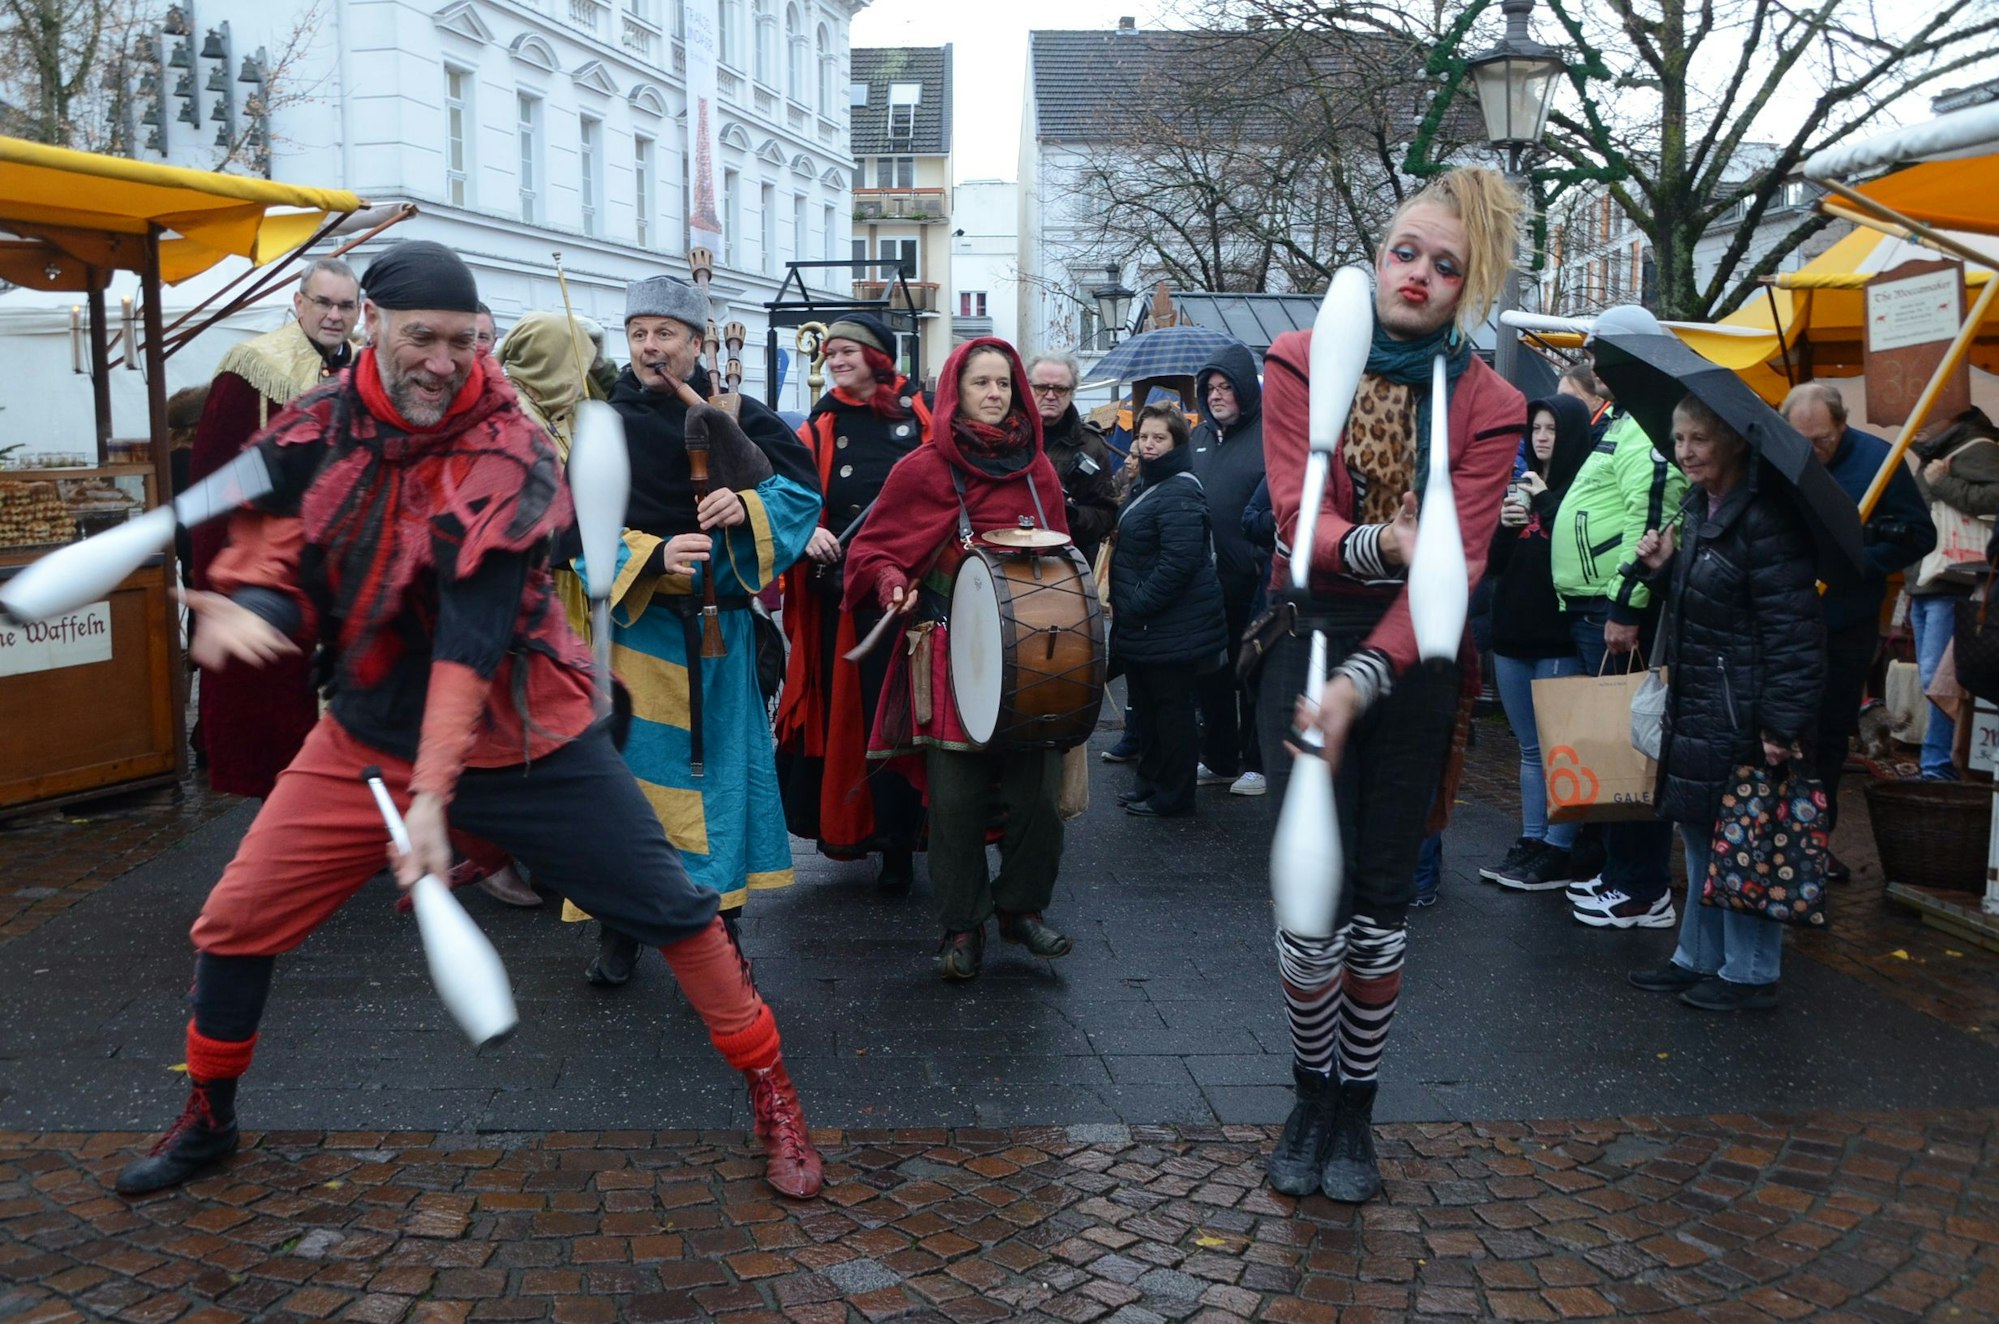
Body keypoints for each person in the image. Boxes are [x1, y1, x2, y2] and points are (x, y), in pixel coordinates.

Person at [114, 242, 823, 1200]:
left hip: (533, 730)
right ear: (371, 323)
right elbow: (274, 542)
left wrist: (437, 795)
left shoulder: (512, 445)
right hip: (368, 731)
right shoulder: (316, 424)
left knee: (679, 914)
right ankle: (208, 1113)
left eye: (460, 340)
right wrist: (254, 602)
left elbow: (472, 632)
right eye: (422, 337)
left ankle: (774, 1099)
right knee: (234, 921)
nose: (444, 360)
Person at [1263, 167, 1526, 1201]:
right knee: (1305, 918)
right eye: (1404, 253)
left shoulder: (1490, 403)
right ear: (1376, 258)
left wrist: (1364, 681)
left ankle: (1352, 1108)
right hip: (1303, 641)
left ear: (1469, 288)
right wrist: (1380, 542)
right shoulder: (1296, 361)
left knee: (1377, 905)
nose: (1417, 276)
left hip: (1412, 664)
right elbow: (1298, 524)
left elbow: (1452, 576)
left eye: (1445, 266)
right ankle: (1305, 1088)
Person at [583, 275, 822, 986]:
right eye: (639, 333)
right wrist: (652, 554)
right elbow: (568, 526)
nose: (650, 346)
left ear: (696, 342)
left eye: (665, 333)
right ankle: (619, 933)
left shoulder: (737, 413)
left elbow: (800, 496)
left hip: (719, 642)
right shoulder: (601, 423)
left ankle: (720, 934)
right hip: (638, 635)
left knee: (718, 788)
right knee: (627, 792)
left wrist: (743, 504)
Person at [844, 338, 1077, 981]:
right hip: (949, 651)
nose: (996, 394)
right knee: (956, 802)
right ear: (957, 390)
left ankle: (1020, 910)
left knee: (1038, 798)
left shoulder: (1039, 472)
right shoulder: (922, 469)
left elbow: (1065, 560)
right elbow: (869, 552)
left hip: (1033, 659)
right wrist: (893, 579)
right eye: (982, 383)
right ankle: (962, 925)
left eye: (1005, 383)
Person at [1626, 394, 1824, 1012]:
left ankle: (1750, 971)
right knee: (1701, 833)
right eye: (1679, 439)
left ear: (1734, 443)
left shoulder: (1763, 520)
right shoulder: (1702, 508)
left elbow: (1794, 632)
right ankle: (1698, 957)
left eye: (1698, 440)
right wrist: (1663, 571)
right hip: (1702, 705)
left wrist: (1781, 722)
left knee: (1746, 839)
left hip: (1741, 711)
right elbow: (1707, 609)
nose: (1684, 452)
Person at [188, 258, 359, 797]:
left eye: (345, 305)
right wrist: (227, 582)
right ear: (299, 302)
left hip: (343, 573)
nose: (335, 315)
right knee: (273, 722)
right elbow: (214, 480)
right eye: (324, 303)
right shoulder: (254, 366)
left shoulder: (362, 371)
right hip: (273, 569)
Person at [775, 312, 931, 890]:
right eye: (830, 353)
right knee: (857, 717)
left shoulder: (919, 418)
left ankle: (902, 842)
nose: (835, 361)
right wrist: (805, 531)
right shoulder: (819, 425)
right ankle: (863, 830)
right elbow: (789, 497)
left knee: (909, 714)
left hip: (912, 594)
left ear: (877, 357)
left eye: (847, 351)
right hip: (842, 596)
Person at [1553, 355, 1687, 931]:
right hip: (1596, 606)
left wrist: (1625, 605)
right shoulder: (1628, 419)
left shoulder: (1650, 427)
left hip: (1617, 610)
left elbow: (1649, 522)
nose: (1596, 368)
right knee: (1615, 745)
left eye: (1607, 359)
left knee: (1632, 750)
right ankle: (1621, 874)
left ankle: (1640, 887)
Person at [1781, 383, 1934, 874]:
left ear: (1842, 425)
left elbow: (1919, 535)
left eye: (1821, 440)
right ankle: (1776, 834)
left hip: (1845, 622)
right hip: (1786, 617)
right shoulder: (1780, 455)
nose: (1812, 451)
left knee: (1828, 735)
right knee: (1782, 734)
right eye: (1801, 440)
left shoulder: (1880, 462)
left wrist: (1859, 563)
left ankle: (1814, 843)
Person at [1483, 395, 1596, 890]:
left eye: (1551, 428)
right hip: (1512, 634)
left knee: (1560, 750)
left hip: (1556, 636)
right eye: (1535, 428)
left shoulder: (1582, 487)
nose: (1541, 436)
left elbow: (1577, 552)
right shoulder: (1519, 485)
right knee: (1530, 750)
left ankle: (1560, 848)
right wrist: (1505, 529)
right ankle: (1533, 839)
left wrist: (1545, 500)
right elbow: (1495, 564)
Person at [1110, 404, 1228, 819]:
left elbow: (1178, 563)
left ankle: (1174, 796)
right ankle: (1149, 786)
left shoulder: (1180, 489)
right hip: (1146, 625)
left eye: (1159, 438)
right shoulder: (1146, 483)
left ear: (1177, 441)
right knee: (1147, 710)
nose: (1149, 445)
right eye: (1144, 437)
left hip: (1170, 625)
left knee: (1172, 712)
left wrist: (1137, 603)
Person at [1190, 345, 1269, 797]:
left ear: (1244, 390)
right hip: (1206, 582)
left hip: (1253, 582)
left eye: (1226, 388)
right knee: (1212, 676)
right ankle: (1219, 758)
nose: (1217, 396)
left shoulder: (1267, 437)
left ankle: (1256, 762)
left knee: (1253, 673)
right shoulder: (1199, 439)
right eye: (1211, 389)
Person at [1908, 407, 1999, 779]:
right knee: (1935, 679)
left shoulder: (1975, 448)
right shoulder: (1939, 450)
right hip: (1932, 580)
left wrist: (1942, 484)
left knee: (1939, 679)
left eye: (1931, 411)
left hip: (1952, 581)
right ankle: (1937, 763)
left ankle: (1938, 766)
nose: (1920, 420)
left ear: (1954, 414)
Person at [1028, 352, 1119, 565]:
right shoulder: (1009, 439)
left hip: (1067, 566)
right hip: (1009, 560)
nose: (1050, 395)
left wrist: (1071, 516)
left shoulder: (1091, 445)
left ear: (1071, 392)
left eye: (1060, 389)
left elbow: (1106, 515)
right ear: (1028, 388)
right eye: (1042, 387)